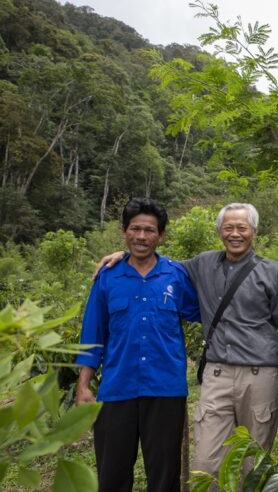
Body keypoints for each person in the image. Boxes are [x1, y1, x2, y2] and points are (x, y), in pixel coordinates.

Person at [97, 202, 278, 477]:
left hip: (259, 375)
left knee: (253, 462)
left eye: (242, 227)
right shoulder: (202, 263)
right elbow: (153, 264)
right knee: (206, 464)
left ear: (254, 231)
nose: (235, 233)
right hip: (217, 373)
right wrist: (123, 254)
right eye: (228, 227)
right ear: (220, 231)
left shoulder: (272, 271)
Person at [76, 198, 201, 492]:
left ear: (161, 236)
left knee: (164, 474)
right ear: (124, 231)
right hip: (116, 388)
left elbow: (202, 310)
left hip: (166, 388)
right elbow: (93, 332)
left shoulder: (176, 275)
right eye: (135, 229)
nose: (142, 237)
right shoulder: (107, 277)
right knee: (112, 473)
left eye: (150, 230)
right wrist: (83, 385)